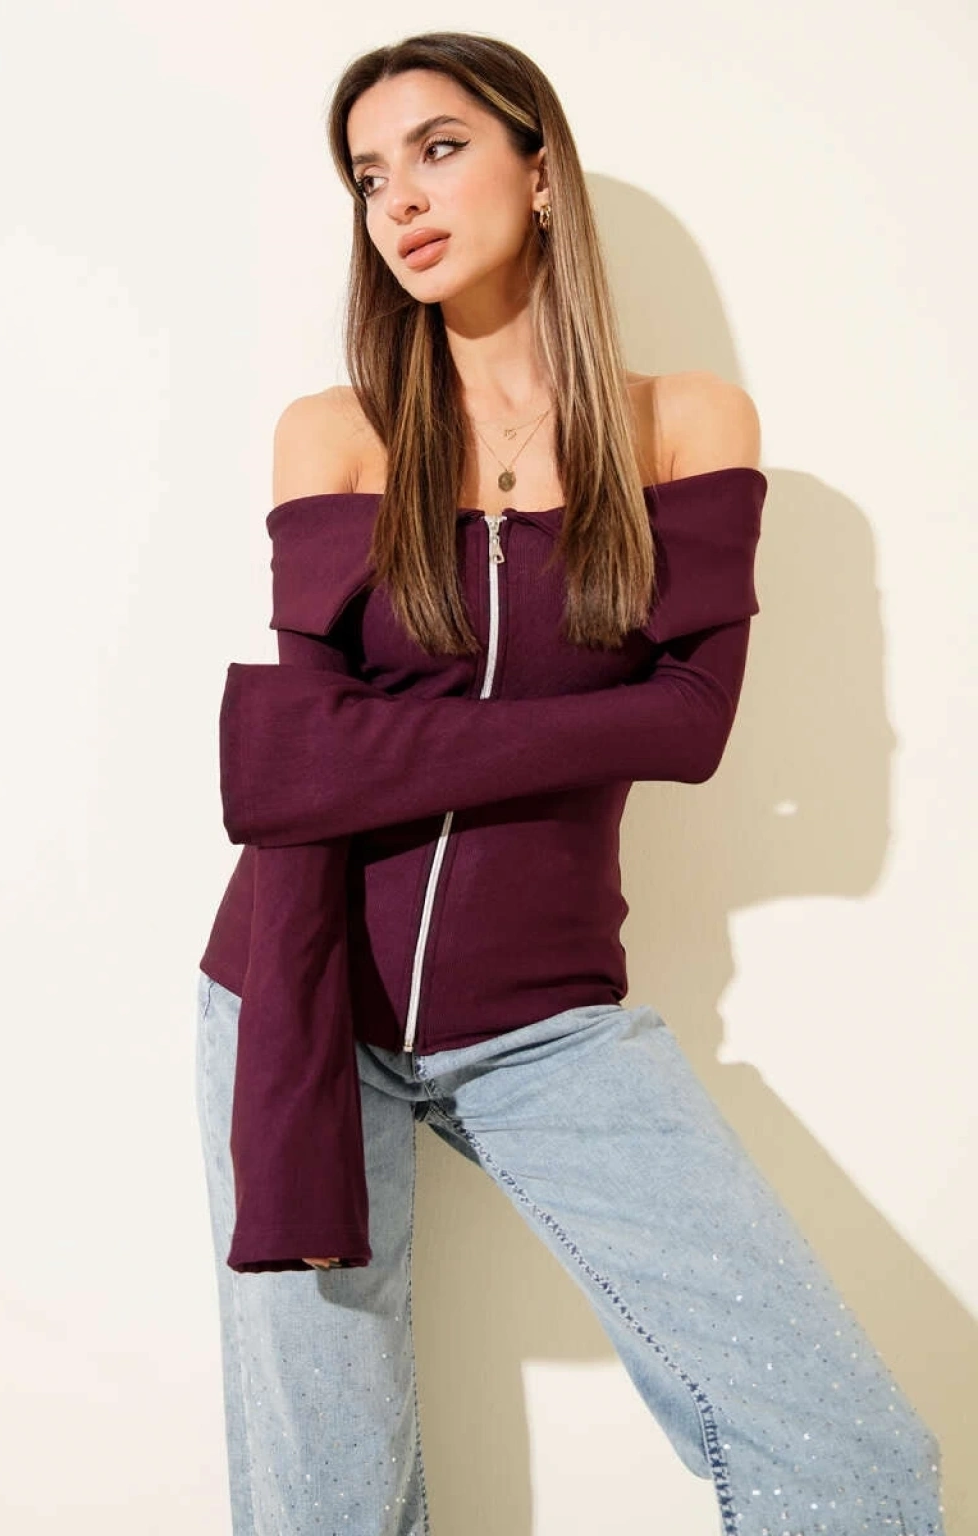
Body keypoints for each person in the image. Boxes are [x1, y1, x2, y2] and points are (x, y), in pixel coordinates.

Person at [194, 30, 945, 1536]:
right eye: (369, 177)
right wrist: (595, 718)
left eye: (440, 148)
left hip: (544, 1023)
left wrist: (373, 744)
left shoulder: (685, 429)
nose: (402, 199)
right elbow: (292, 783)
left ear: (541, 171)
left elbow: (695, 726)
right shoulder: (334, 438)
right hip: (296, 997)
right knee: (329, 1508)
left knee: (854, 1457)